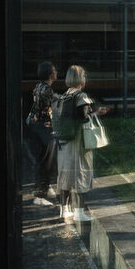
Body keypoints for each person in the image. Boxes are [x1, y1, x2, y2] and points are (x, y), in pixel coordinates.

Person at [56, 65, 107, 222]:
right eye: (84, 76)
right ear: (80, 79)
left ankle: (64, 210)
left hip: (65, 141)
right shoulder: (81, 96)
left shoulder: (65, 95)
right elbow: (83, 117)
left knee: (65, 175)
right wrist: (96, 112)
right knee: (81, 173)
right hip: (79, 142)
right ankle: (79, 212)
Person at [27, 61, 58, 206]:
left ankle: (45, 187)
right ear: (51, 74)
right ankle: (39, 194)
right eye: (55, 71)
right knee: (45, 160)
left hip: (36, 127)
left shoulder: (38, 87)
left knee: (44, 159)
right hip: (44, 129)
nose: (56, 73)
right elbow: (50, 110)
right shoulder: (47, 90)